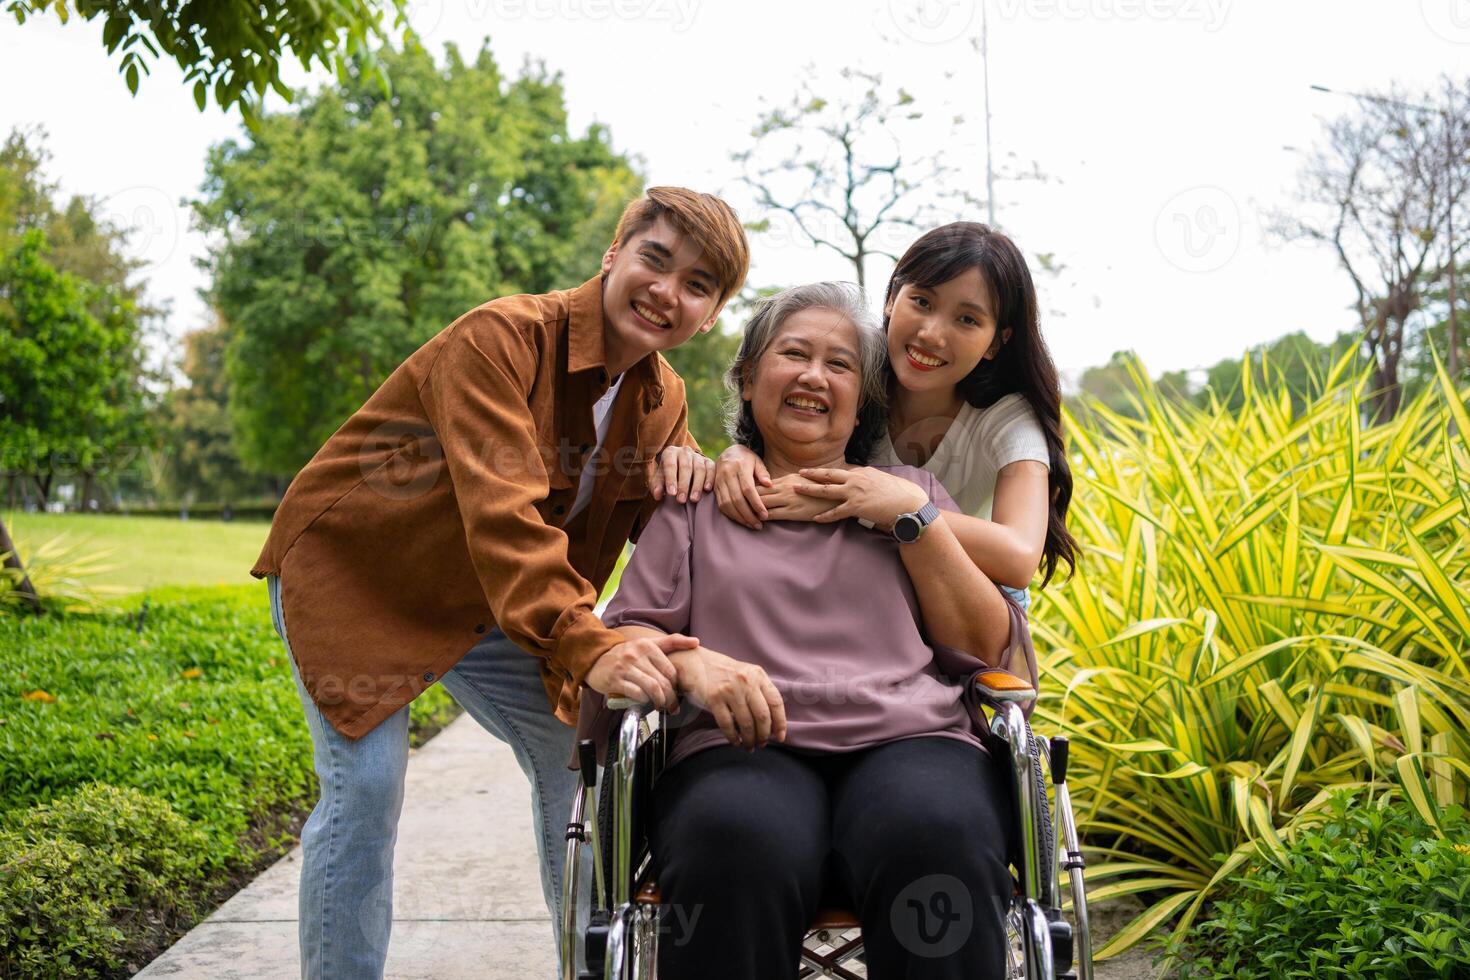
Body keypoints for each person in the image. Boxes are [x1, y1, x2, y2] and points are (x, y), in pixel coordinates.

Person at [252, 186, 749, 978]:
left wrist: (705, 462)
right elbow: (505, 518)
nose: (667, 292)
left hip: (490, 605)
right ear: (612, 255)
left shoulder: (665, 397)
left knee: (571, 763)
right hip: (362, 574)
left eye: (697, 285)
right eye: (655, 259)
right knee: (367, 790)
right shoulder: (500, 340)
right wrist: (589, 646)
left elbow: (676, 514)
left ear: (712, 314)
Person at [596, 282, 1039, 979]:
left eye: (840, 365)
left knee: (937, 833)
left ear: (863, 399)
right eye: (793, 353)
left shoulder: (908, 493)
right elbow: (620, 639)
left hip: (912, 739)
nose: (813, 376)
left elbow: (985, 650)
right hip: (740, 744)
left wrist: (910, 518)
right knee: (733, 840)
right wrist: (691, 666)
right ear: (747, 379)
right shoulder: (695, 505)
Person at [714, 222, 1078, 611]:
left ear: (996, 342)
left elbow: (1019, 557)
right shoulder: (851, 380)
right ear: (891, 298)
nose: (932, 335)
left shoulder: (1006, 417)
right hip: (869, 585)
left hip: (970, 594)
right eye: (922, 301)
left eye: (967, 319)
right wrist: (739, 453)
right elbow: (784, 438)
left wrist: (892, 506)